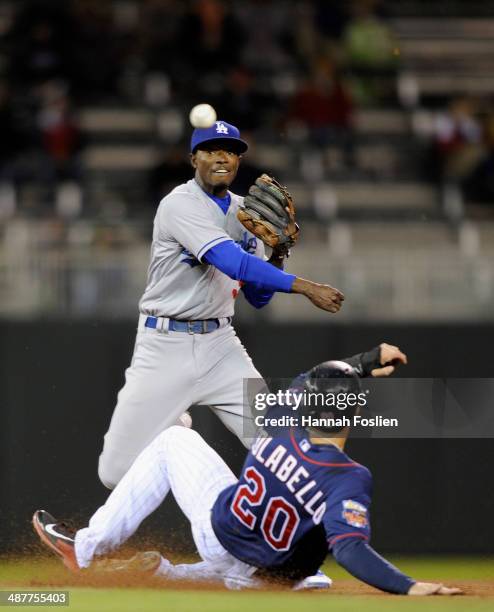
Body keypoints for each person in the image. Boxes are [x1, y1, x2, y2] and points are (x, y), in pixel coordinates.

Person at [32, 343, 460, 595]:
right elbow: (349, 548)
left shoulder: (280, 416)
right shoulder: (349, 476)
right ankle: (163, 571)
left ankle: (92, 551)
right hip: (268, 576)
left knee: (173, 439)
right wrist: (409, 585)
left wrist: (365, 360)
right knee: (310, 565)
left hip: (221, 533)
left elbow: (309, 379)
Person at [97, 119, 344, 491]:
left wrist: (279, 252)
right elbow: (231, 262)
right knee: (114, 472)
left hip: (220, 345)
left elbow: (257, 297)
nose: (222, 157)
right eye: (212, 150)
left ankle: (276, 541)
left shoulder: (248, 214)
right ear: (193, 158)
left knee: (277, 445)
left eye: (230, 151)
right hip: (165, 344)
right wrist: (303, 286)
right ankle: (174, 434)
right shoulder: (179, 204)